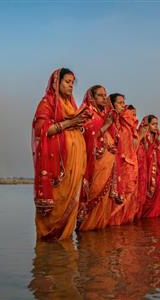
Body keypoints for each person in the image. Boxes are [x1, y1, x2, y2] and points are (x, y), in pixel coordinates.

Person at [32, 68, 90, 241]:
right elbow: (42, 130)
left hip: (74, 164)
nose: (71, 86)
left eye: (73, 83)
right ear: (57, 83)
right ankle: (48, 243)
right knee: (58, 202)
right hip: (58, 166)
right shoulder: (47, 103)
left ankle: (63, 250)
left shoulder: (71, 105)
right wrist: (70, 123)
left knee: (70, 203)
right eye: (67, 82)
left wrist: (78, 125)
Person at [76, 85, 120, 231]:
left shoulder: (103, 114)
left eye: (105, 95)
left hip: (106, 165)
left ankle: (99, 234)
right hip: (94, 164)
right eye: (100, 95)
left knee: (104, 200)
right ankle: (86, 230)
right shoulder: (87, 113)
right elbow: (86, 136)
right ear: (92, 97)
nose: (104, 98)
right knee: (93, 195)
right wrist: (106, 125)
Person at [108, 94, 139, 225]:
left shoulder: (124, 123)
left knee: (127, 195)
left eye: (123, 102)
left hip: (127, 165)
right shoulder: (110, 121)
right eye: (120, 103)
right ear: (112, 105)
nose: (123, 106)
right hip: (114, 165)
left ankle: (121, 225)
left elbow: (132, 145)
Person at [140, 115, 160, 218]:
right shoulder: (144, 137)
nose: (156, 126)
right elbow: (145, 154)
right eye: (153, 124)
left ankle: (157, 226)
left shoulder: (158, 136)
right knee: (149, 201)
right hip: (148, 172)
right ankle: (148, 222)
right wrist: (158, 144)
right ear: (147, 125)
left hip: (159, 172)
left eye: (157, 124)